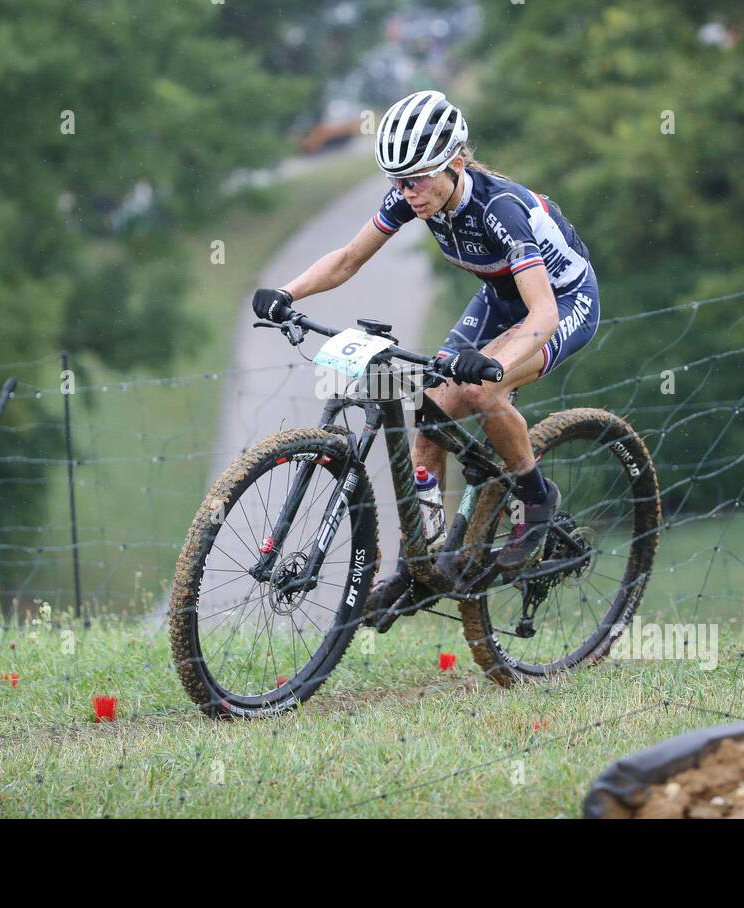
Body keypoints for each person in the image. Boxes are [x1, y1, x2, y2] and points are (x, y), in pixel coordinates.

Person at [252, 89, 601, 617]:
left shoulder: (500, 209)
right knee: (429, 415)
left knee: (481, 389)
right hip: (500, 297)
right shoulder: (413, 195)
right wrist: (287, 293)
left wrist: (496, 367)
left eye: (417, 178)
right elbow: (348, 259)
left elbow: (543, 316)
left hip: (560, 300)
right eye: (397, 181)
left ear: (456, 163)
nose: (407, 192)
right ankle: (422, 565)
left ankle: (536, 498)